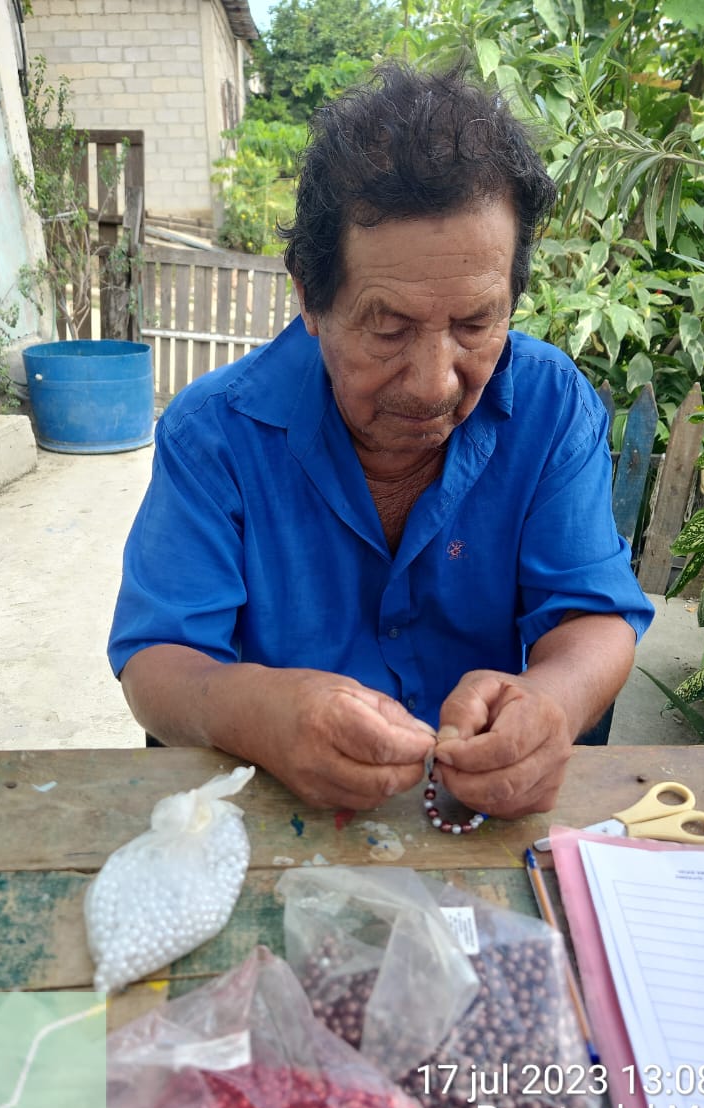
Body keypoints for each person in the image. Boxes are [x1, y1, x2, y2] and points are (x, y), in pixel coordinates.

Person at [108, 60, 654, 819]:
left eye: (475, 323)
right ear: (309, 296)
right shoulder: (215, 435)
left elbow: (593, 616)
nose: (433, 384)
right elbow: (158, 663)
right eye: (388, 327)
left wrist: (550, 703)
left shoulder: (551, 407)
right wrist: (257, 711)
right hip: (272, 819)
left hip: (480, 818)